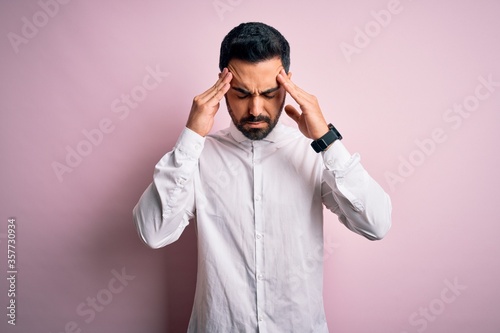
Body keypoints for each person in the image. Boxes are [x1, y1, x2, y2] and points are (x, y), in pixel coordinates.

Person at [133, 22, 392, 333]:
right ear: (223, 85)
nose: (256, 109)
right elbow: (153, 232)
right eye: (242, 94)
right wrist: (191, 136)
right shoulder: (197, 157)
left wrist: (327, 140)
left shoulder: (314, 153)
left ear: (287, 85)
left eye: (270, 93)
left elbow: (376, 224)